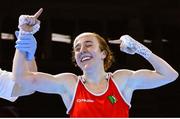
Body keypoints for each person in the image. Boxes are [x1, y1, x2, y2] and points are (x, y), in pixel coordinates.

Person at [12, 8, 179, 117]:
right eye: (77, 48)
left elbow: (170, 75)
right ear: (76, 59)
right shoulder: (69, 84)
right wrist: (24, 35)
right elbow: (21, 79)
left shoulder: (122, 80)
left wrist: (140, 48)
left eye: (89, 44)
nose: (82, 50)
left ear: (103, 54)